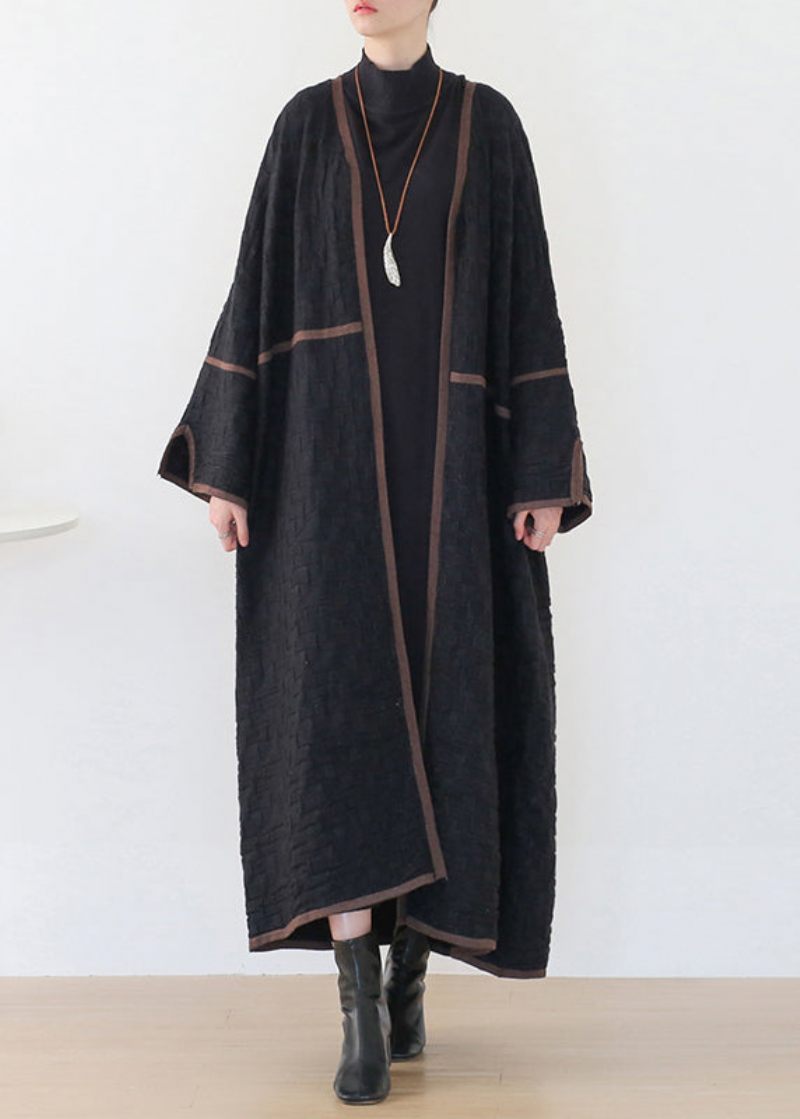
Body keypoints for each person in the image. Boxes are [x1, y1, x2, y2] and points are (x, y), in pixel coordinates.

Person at [157, 0, 593, 1105]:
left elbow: (528, 300)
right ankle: (358, 1008)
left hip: (455, 481)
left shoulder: (489, 127)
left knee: (450, 716)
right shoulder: (304, 127)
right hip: (325, 479)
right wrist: (227, 463)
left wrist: (543, 468)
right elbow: (256, 291)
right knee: (336, 724)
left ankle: (410, 975)